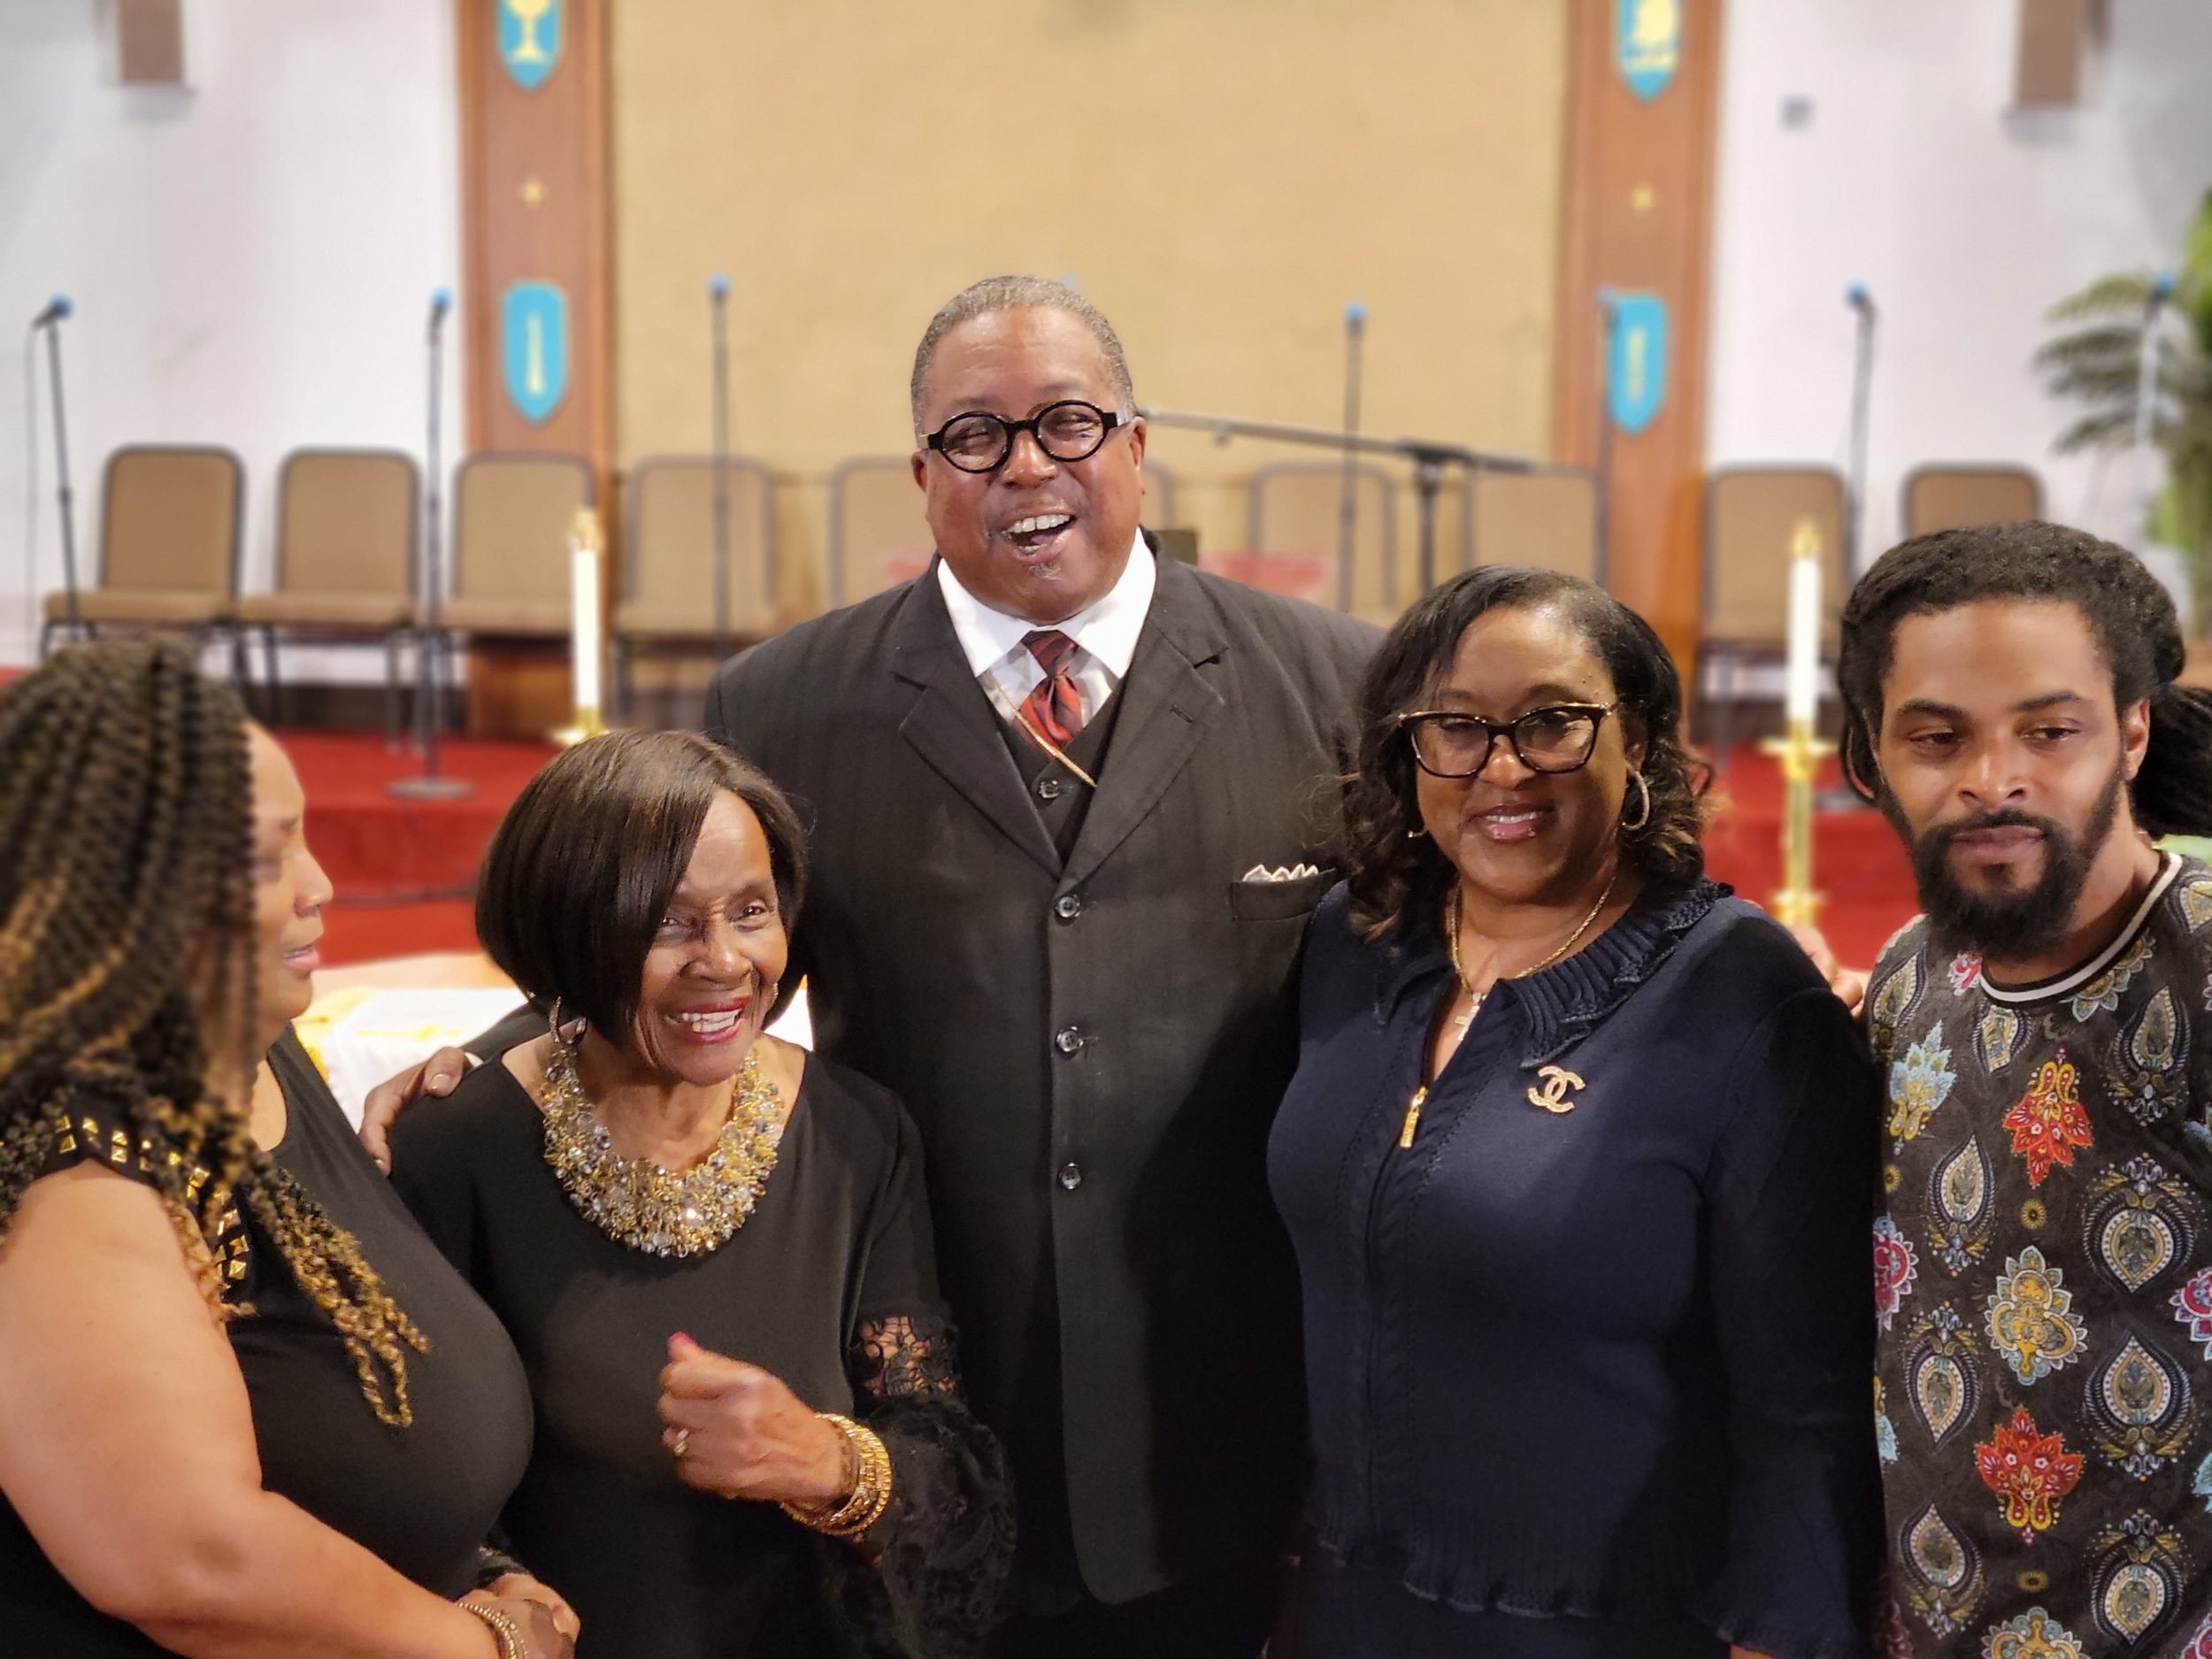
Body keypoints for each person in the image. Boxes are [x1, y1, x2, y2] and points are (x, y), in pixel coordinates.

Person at [364, 275, 1380, 1655]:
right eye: (976, 435)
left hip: (1225, 1391)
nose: (1027, 465)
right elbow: (681, 946)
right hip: (918, 1373)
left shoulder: (1334, 684)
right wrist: (470, 1072)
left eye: (1069, 423)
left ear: (1137, 445)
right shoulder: (784, 700)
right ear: (922, 474)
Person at [1267, 567, 1883, 1658]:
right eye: (1454, 728)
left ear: (1635, 739)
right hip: (1343, 1614)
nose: (1502, 768)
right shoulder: (1347, 946)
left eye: (1551, 723)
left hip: (1612, 1629)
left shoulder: (1739, 996)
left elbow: (1807, 1409)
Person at [383, 728, 1012, 1659]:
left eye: (750, 911)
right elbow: (394, 1468)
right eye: (667, 922)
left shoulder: (855, 1133)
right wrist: (492, 1587)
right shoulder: (455, 1144)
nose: (720, 961)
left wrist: (827, 1460)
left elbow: (945, 1460)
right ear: (569, 924)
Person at [0, 638, 572, 1659]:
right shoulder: (77, 1161)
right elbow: (190, 1564)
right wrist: (485, 1647)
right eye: (265, 856)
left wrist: (478, 1562)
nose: (320, 884)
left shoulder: (248, 1040)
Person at [1838, 523, 2212, 1658]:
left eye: (2049, 732)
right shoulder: (1908, 971)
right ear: (1873, 756)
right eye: (1937, 736)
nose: (1992, 778)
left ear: (2132, 731)